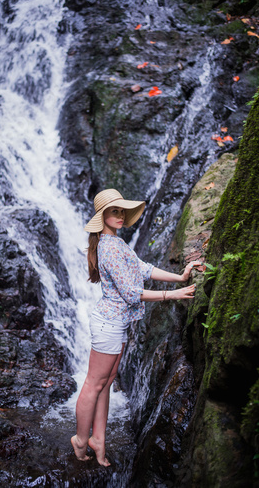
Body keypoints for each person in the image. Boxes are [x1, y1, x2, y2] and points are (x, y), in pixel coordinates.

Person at [71, 189, 201, 466]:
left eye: (121, 211)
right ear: (101, 216)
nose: (119, 215)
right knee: (94, 384)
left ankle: (99, 442)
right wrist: (173, 294)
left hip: (116, 323)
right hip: (108, 324)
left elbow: (143, 268)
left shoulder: (116, 243)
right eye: (114, 211)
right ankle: (81, 440)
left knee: (105, 384)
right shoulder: (109, 247)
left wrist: (179, 278)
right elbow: (132, 292)